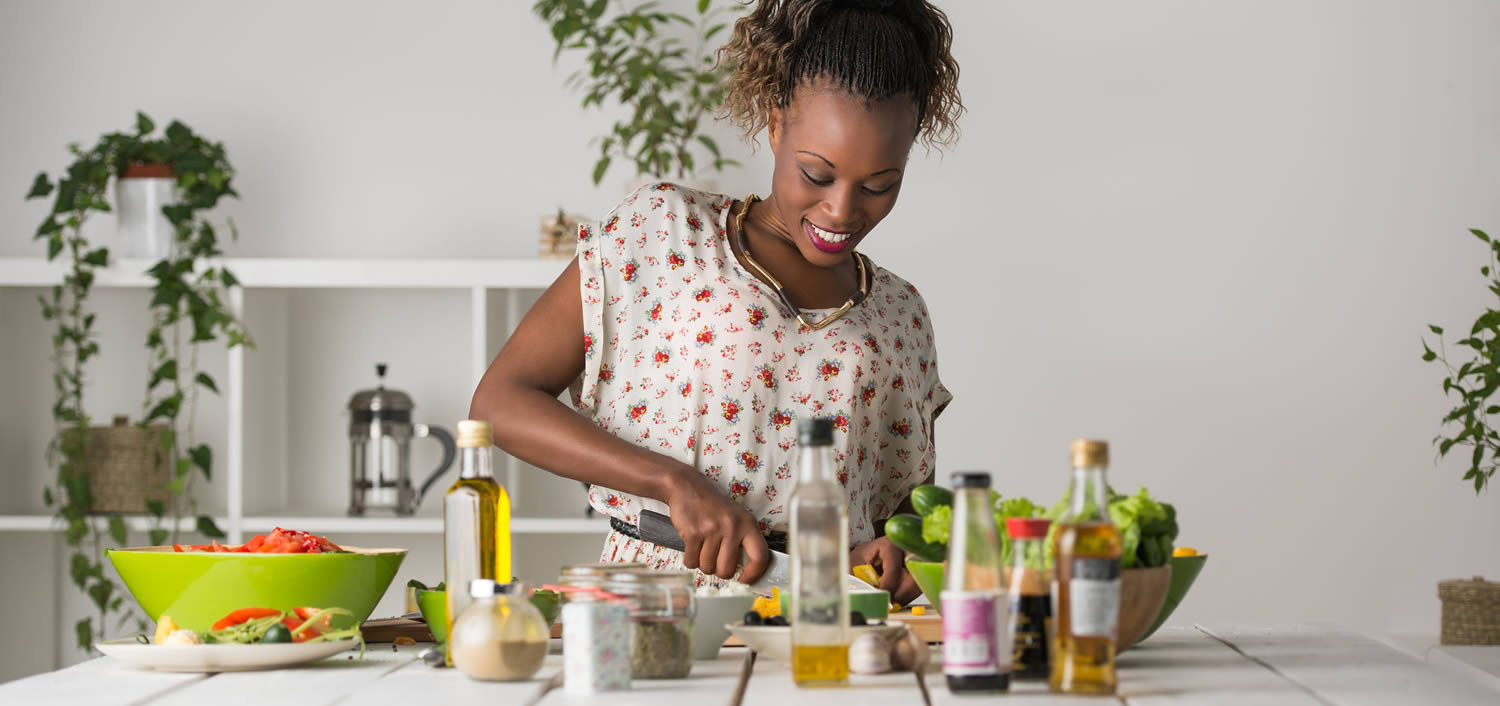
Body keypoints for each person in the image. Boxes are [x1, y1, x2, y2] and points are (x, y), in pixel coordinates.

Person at [470, 0, 962, 604]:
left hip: (824, 621)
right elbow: (499, 403)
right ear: (776, 125)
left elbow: (907, 522)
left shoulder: (901, 314)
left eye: (880, 185)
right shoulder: (662, 231)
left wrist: (894, 556)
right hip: (657, 610)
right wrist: (672, 481)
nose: (841, 210)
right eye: (816, 174)